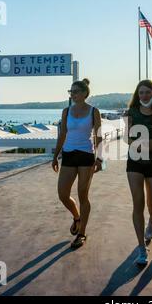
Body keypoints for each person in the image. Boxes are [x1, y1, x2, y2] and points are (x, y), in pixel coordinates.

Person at [52, 79, 103, 250]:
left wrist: (100, 158)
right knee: (63, 194)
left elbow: (98, 136)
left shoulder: (94, 111)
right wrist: (55, 155)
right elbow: (63, 134)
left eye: (75, 91)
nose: (72, 95)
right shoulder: (66, 111)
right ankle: (77, 217)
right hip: (68, 155)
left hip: (86, 155)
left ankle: (81, 233)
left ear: (84, 93)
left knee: (83, 194)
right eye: (70, 92)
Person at [125, 80, 152, 266]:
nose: (144, 96)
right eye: (141, 93)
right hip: (135, 162)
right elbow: (127, 138)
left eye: (147, 92)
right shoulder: (131, 113)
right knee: (138, 204)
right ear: (137, 94)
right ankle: (142, 248)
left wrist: (151, 143)